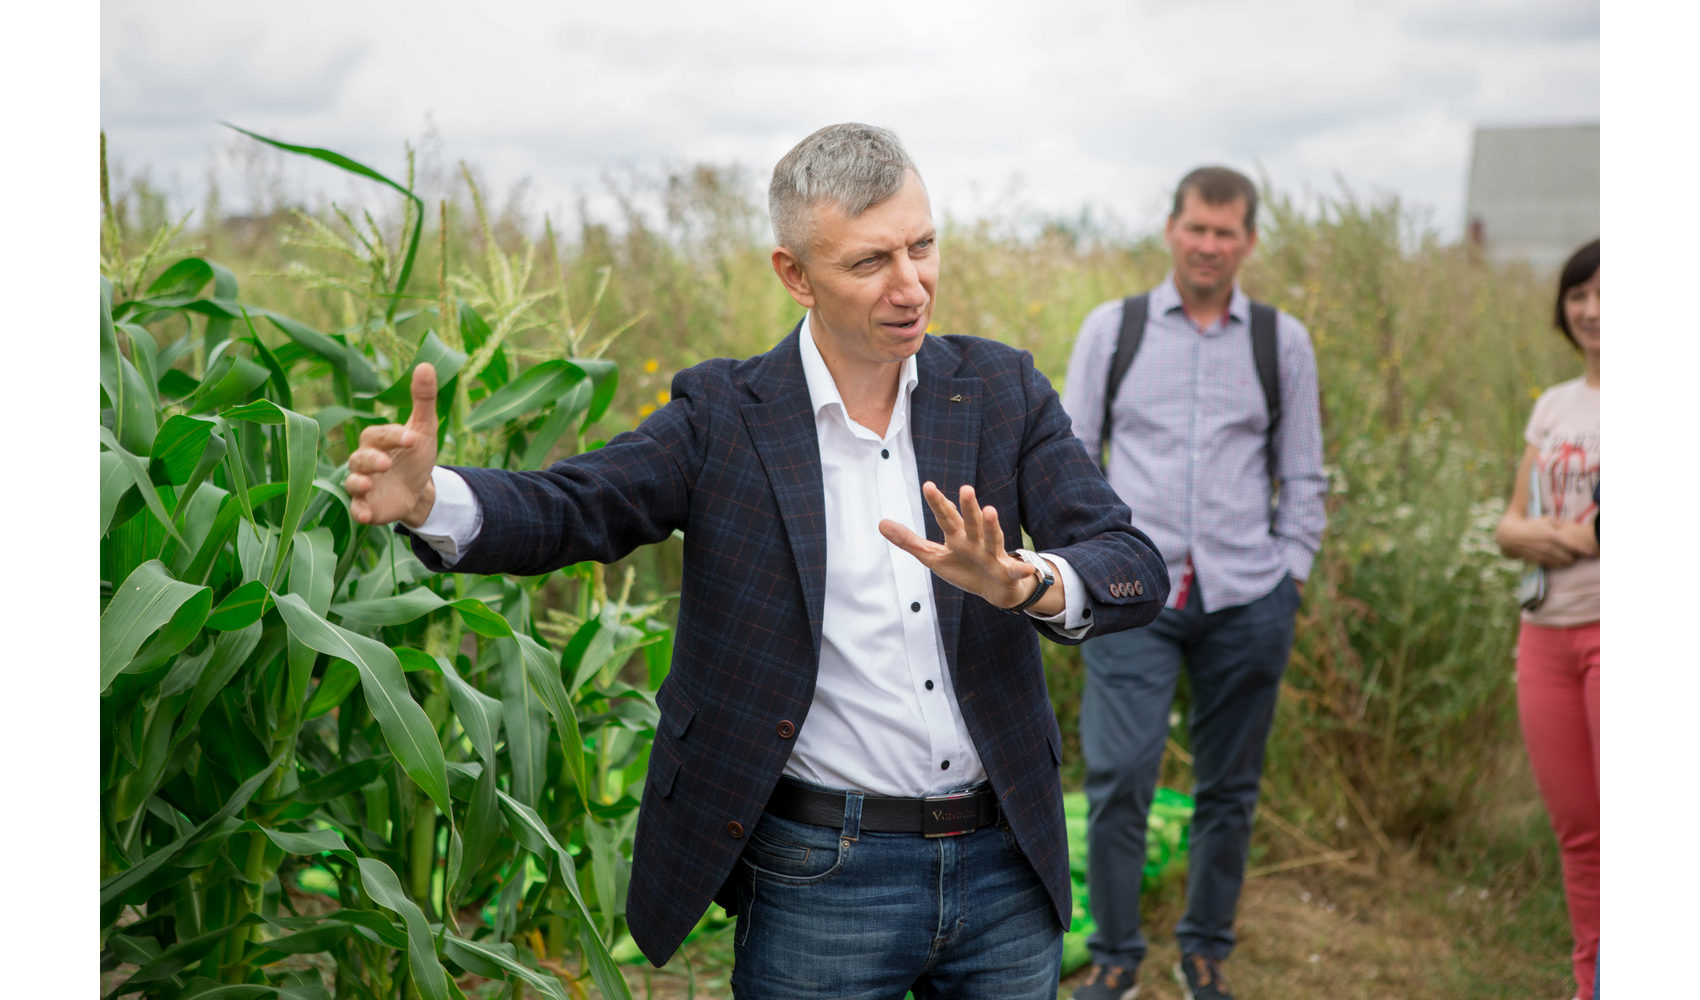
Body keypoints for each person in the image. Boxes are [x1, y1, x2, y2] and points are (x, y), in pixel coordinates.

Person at [344, 122, 1169, 999]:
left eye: (923, 247)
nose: (911, 285)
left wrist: (1026, 582)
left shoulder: (1001, 390)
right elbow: (581, 506)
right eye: (869, 263)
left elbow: (1130, 563)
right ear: (794, 275)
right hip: (821, 875)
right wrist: (434, 501)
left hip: (1007, 863)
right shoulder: (724, 415)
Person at [1059, 166, 1327, 1000]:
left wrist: (1291, 575)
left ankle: (1205, 948)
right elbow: (1070, 460)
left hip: (1248, 596)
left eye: (1226, 232)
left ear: (1247, 241)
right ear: (1171, 229)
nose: (1209, 245)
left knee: (1230, 787)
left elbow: (1303, 473)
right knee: (1120, 777)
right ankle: (1113, 954)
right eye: (1196, 228)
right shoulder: (1116, 330)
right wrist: (1087, 568)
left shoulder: (1280, 341)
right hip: (1132, 598)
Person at [1494, 237, 1599, 1000]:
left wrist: (1557, 535)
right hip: (1544, 635)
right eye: (1578, 295)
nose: (1591, 311)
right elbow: (1508, 527)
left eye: (1606, 295)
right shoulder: (1553, 406)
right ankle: (1591, 979)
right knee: (1579, 831)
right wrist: (1562, 535)